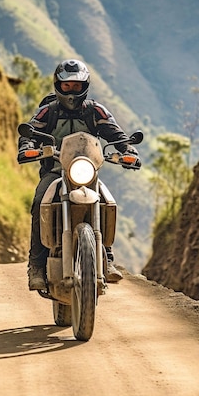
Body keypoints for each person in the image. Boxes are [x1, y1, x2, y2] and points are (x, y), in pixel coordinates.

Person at [17, 58, 141, 291]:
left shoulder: (95, 111)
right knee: (38, 202)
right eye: (67, 86)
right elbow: (30, 133)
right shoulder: (48, 111)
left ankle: (108, 258)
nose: (71, 91)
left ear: (84, 86)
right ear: (58, 85)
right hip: (55, 171)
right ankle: (36, 267)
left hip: (86, 173)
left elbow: (116, 134)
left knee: (107, 201)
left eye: (76, 86)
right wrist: (26, 146)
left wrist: (128, 150)